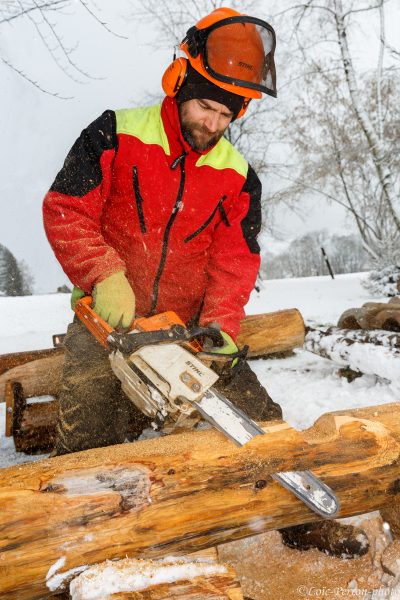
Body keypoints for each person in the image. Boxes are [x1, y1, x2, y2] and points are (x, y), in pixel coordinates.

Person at [43, 6, 368, 559]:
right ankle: (76, 551)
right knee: (88, 444)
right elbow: (66, 209)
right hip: (110, 323)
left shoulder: (238, 175)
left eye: (226, 113)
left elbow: (235, 262)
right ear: (178, 87)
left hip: (188, 330)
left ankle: (302, 518)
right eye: (204, 105)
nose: (212, 123)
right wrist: (104, 273)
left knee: (263, 426)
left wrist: (221, 327)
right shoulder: (113, 133)